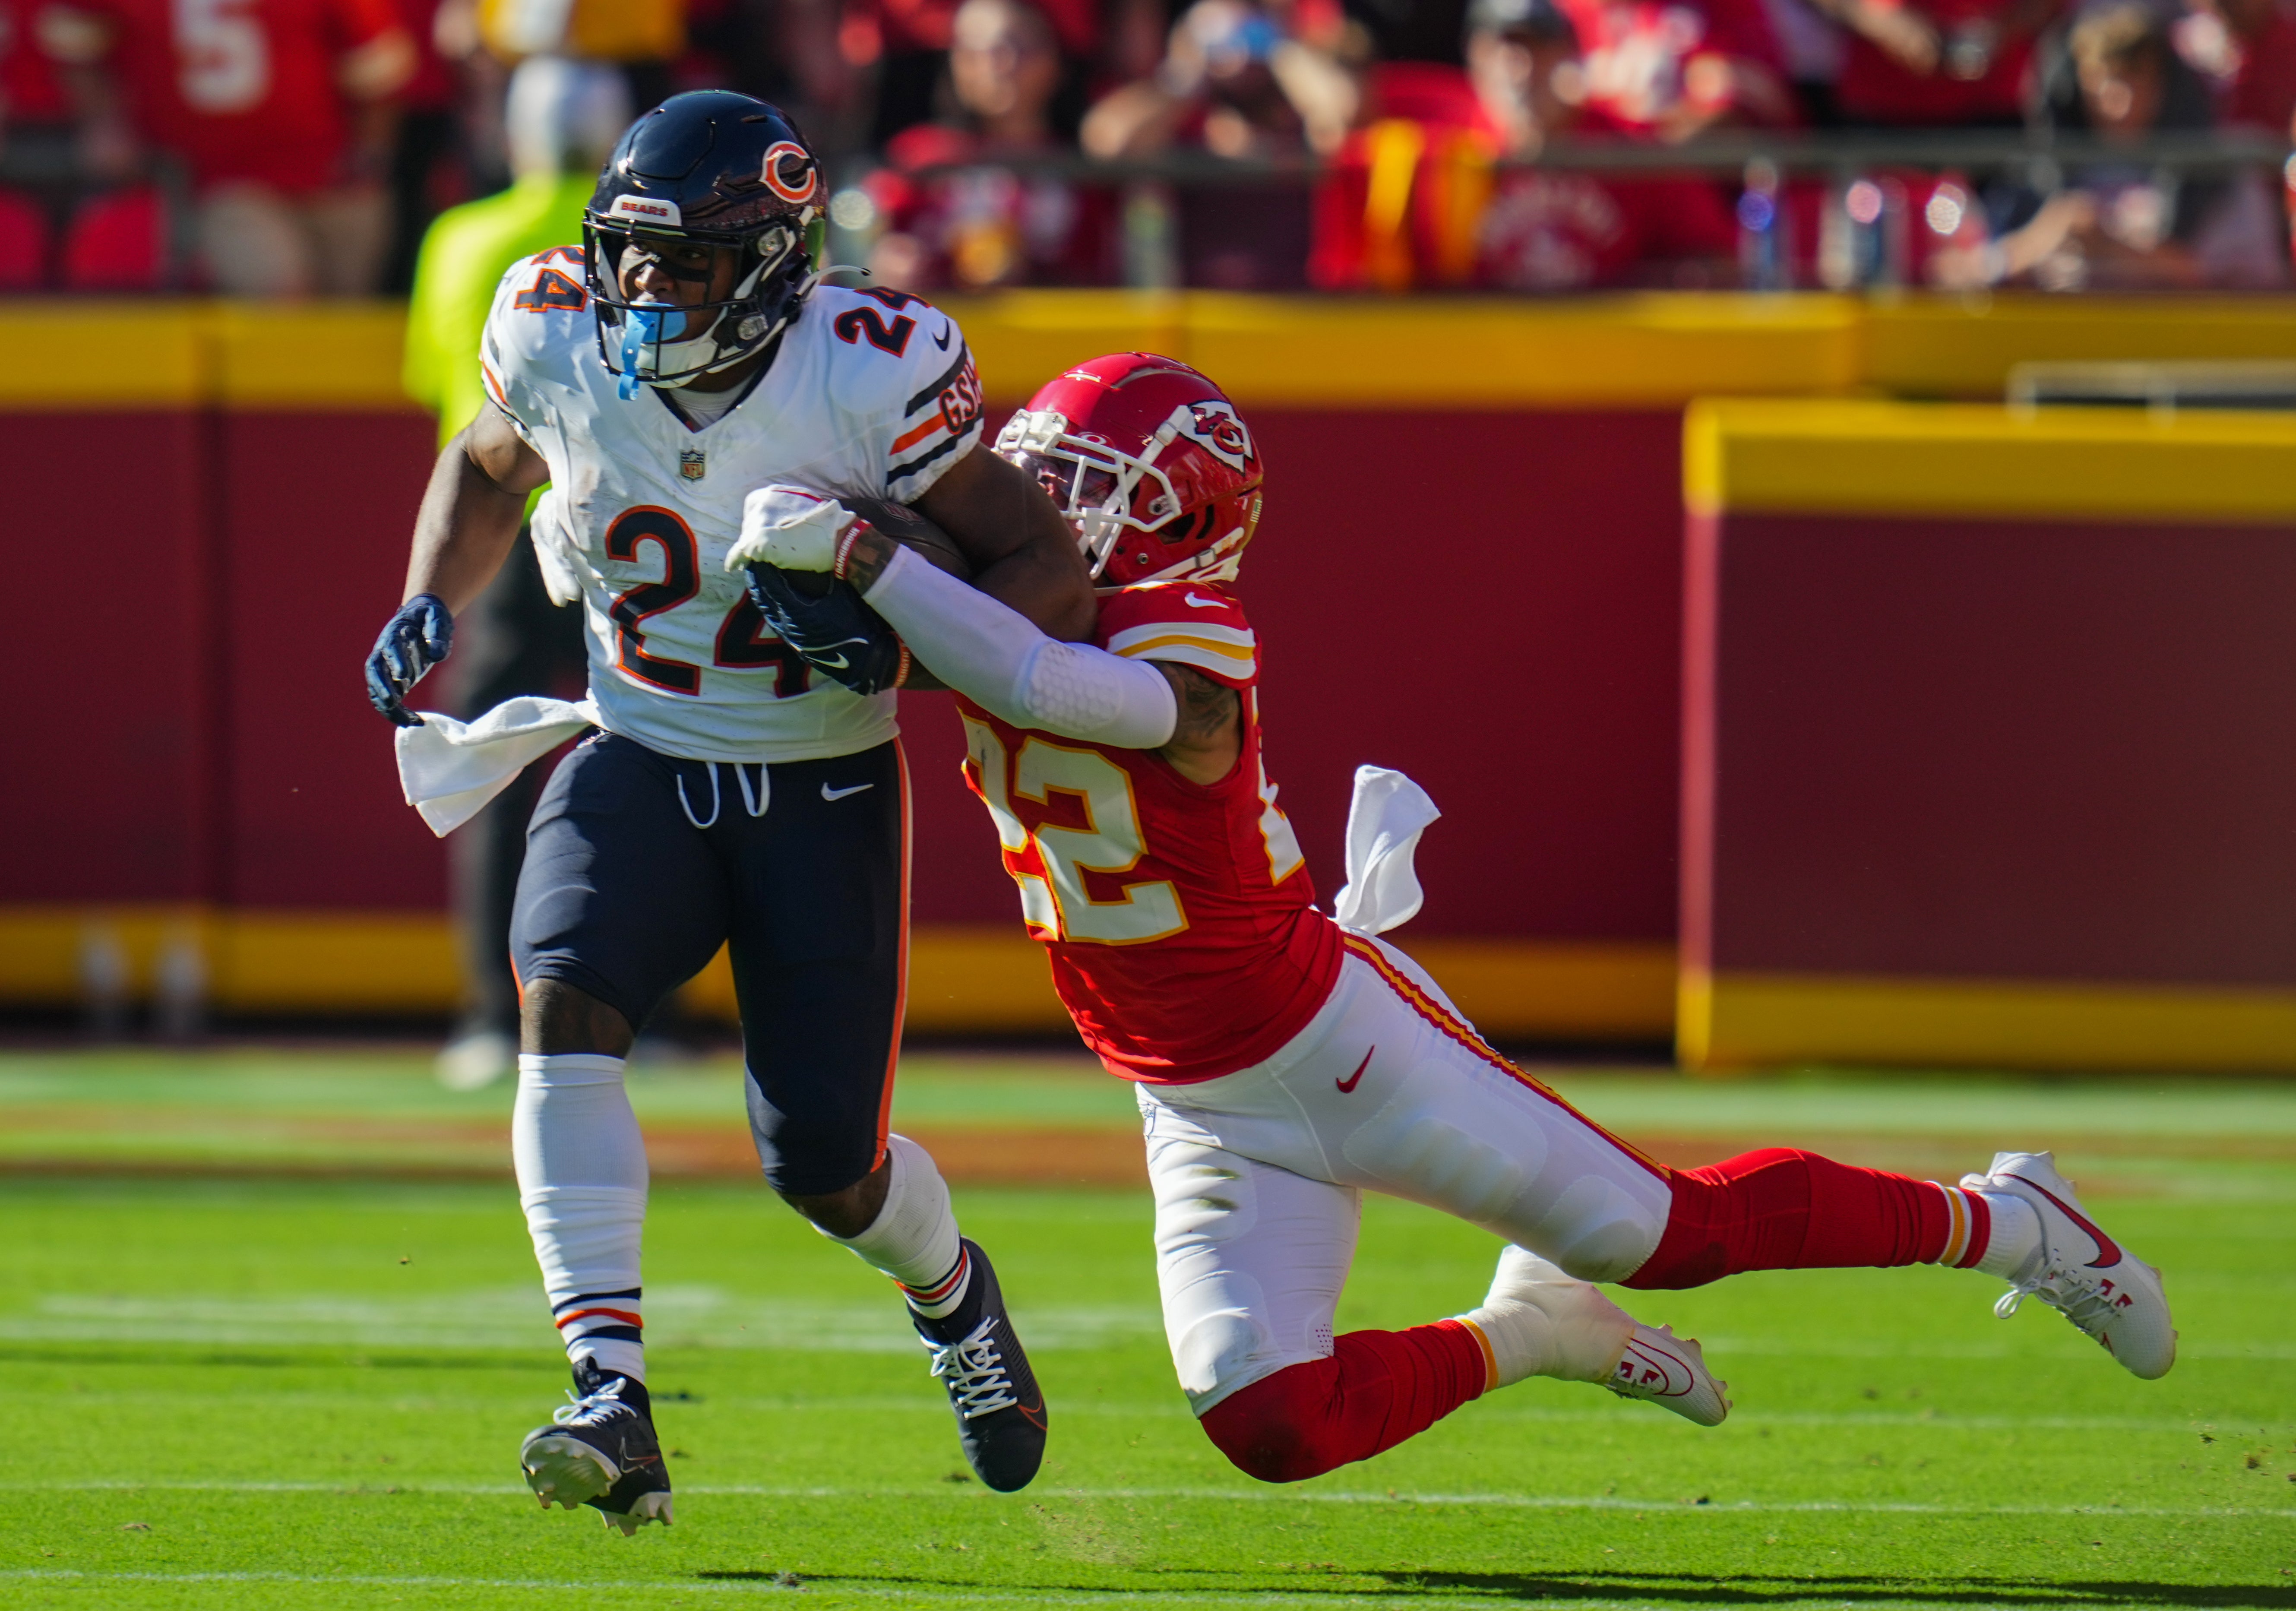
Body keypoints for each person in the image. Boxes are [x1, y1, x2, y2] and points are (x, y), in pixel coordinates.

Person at [733, 351, 2178, 1484]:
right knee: (1266, 1422)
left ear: (1180, 520)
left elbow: (1043, 687)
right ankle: (1525, 1335)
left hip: (1334, 1040)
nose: (1050, 512)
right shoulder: (992, 596)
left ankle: (2007, 1223)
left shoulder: (1191, 642)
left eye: (1090, 486)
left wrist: (864, 562)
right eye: (1044, 479)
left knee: (1663, 1235)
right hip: (1188, 1099)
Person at [362, 90, 1096, 1532]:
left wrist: (899, 643)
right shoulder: (553, 327)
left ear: (768, 260)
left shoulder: (867, 370)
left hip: (817, 781)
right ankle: (609, 1395)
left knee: (822, 1162)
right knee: (560, 1000)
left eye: (684, 261)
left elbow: (1040, 569)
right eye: (631, 255)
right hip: (632, 745)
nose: (644, 288)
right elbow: (485, 463)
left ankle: (953, 1298)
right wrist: (425, 599)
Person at [401, 56, 627, 1090]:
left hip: (497, 528)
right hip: (625, 524)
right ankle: (634, 1006)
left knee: (494, 763)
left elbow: (431, 382)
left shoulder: (462, 239)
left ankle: (494, 1009)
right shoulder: (639, 237)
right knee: (653, 752)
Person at [39, 0, 417, 294]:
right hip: (220, 184)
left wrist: (370, 154)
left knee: (346, 317)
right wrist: (105, 121)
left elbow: (377, 70)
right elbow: (74, 40)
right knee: (277, 288)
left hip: (329, 180)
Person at [866, 0, 1119, 291]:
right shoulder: (920, 158)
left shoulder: (1086, 169)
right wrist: (883, 266)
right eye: (974, 52)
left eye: (1018, 47)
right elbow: (862, 241)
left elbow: (1104, 276)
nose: (998, 64)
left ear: (1057, 60)